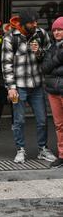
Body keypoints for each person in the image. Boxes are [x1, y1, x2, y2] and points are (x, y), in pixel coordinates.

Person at [2, 8, 57, 164]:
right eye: (32, 22)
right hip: (19, 86)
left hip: (37, 85)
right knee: (19, 120)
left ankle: (43, 149)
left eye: (36, 22)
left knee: (42, 120)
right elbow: (6, 64)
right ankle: (20, 150)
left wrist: (39, 52)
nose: (35, 24)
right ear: (24, 23)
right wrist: (11, 87)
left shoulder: (41, 34)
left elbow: (50, 56)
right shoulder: (10, 38)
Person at [42, 16, 63, 168]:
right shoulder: (52, 48)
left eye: (59, 29)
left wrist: (52, 65)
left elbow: (50, 68)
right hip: (53, 92)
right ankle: (62, 155)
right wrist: (58, 60)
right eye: (54, 30)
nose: (56, 32)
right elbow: (44, 68)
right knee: (59, 125)